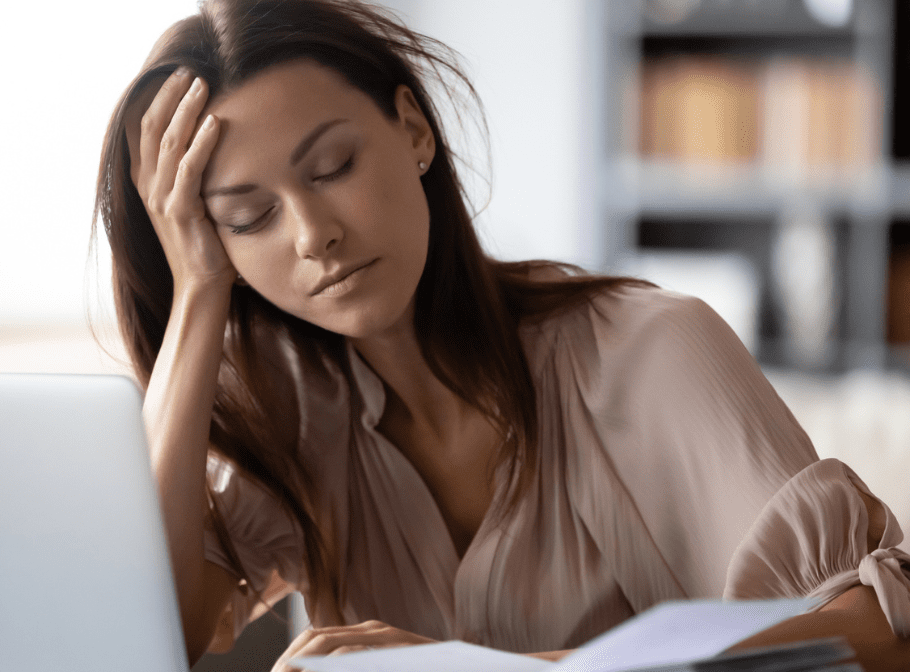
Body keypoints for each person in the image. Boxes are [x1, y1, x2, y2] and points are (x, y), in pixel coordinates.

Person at [93, 1, 910, 670]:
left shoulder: (651, 351)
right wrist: (198, 293)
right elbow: (149, 632)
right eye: (248, 217)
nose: (312, 235)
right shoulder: (296, 412)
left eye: (334, 166)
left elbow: (877, 638)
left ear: (413, 129)